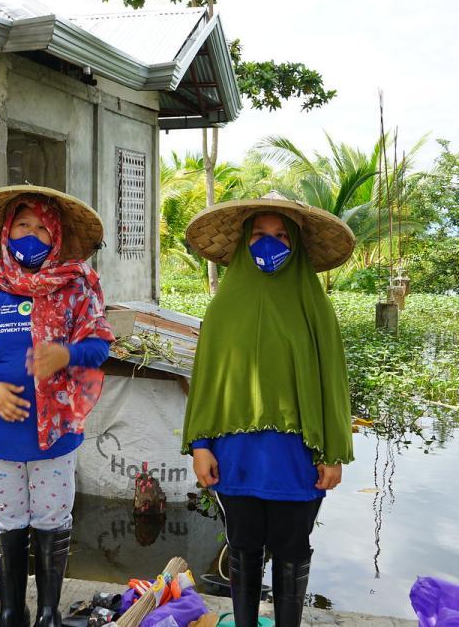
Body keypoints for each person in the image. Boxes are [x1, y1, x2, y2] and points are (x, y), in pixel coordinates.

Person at [181, 193, 356, 627]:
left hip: (297, 459)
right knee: (242, 546)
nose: (269, 244)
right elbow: (206, 382)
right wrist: (201, 445)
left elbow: (332, 383)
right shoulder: (223, 308)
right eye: (259, 235)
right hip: (235, 458)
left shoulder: (313, 306)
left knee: (293, 547)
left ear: (295, 245)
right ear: (243, 241)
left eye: (280, 236)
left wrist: (332, 453)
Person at [0, 186, 114, 627]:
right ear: (7, 230)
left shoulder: (77, 285)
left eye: (42, 227)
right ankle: (10, 610)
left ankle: (47, 612)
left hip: (55, 433)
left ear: (56, 234)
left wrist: (66, 354)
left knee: (51, 520)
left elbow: (98, 345)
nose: (32, 235)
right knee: (8, 521)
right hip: (0, 432)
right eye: (23, 225)